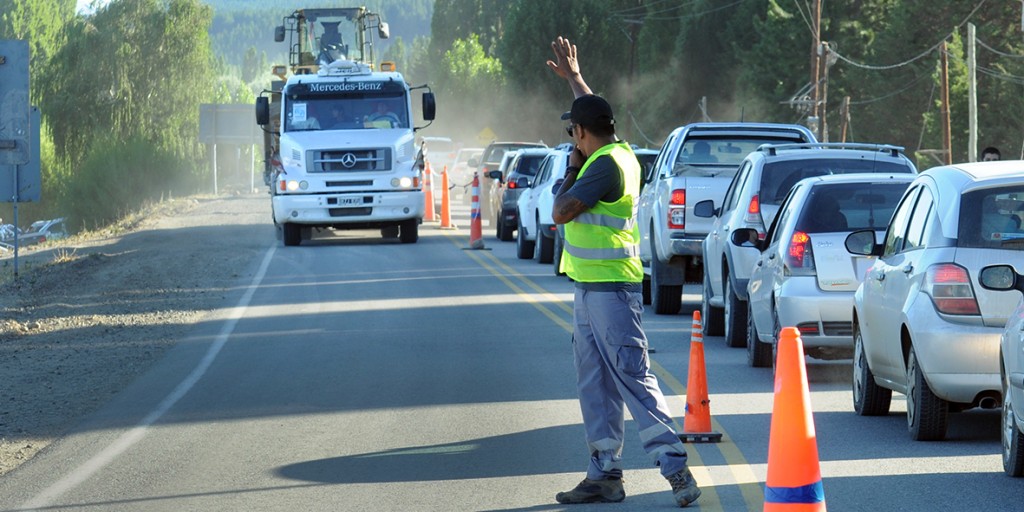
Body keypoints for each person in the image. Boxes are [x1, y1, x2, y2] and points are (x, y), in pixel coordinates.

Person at [546, 35, 701, 508]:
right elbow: (591, 111)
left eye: (573, 131)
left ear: (580, 134)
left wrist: (570, 167)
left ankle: (676, 470)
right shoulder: (614, 149)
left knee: (633, 378)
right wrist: (575, 79)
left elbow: (560, 211)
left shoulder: (600, 167)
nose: (572, 136)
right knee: (594, 383)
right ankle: (604, 475)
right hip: (591, 291)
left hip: (611, 293)